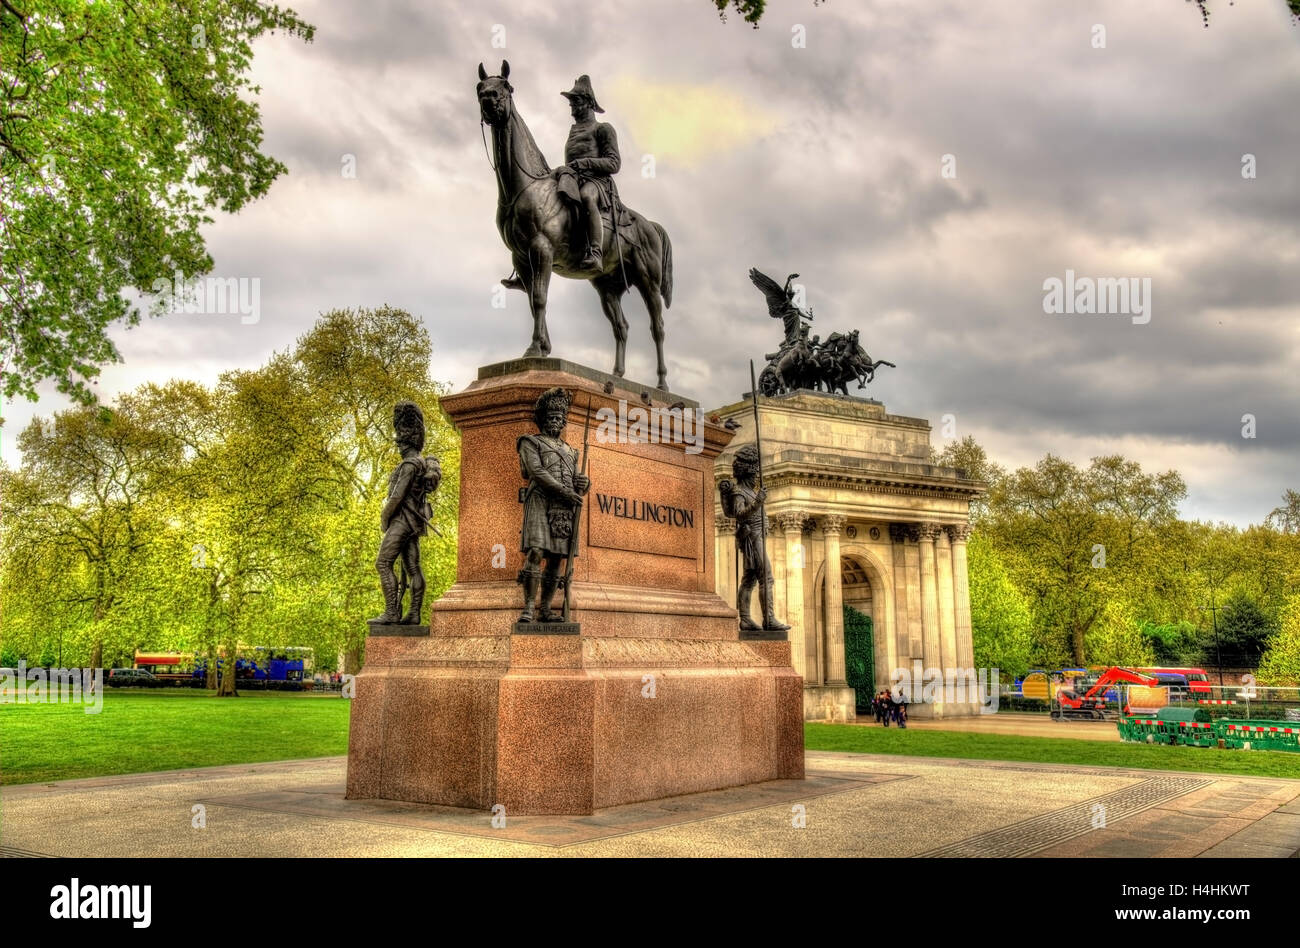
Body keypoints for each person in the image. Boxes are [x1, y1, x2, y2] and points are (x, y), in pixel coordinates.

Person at [517, 388, 590, 623]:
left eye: (559, 417)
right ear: (543, 419)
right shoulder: (530, 442)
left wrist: (583, 483)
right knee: (536, 551)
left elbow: (577, 479)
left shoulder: (571, 451)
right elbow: (536, 471)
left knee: (557, 558)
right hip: (540, 499)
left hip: (564, 506)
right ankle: (529, 606)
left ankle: (546, 608)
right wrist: (566, 491)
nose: (556, 421)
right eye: (551, 417)